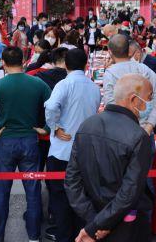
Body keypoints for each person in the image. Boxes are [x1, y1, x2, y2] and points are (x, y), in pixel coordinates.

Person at [65, 74, 153, 242]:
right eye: (149, 98)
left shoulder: (87, 125)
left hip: (90, 219)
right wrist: (99, 224)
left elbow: (72, 180)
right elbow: (129, 192)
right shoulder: (138, 136)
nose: (150, 103)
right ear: (133, 99)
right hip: (124, 224)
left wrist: (93, 221)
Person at [0, 47, 52, 242]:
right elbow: (54, 106)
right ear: (24, 61)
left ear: (3, 63)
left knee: (1, 192)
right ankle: (34, 236)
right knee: (33, 191)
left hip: (6, 142)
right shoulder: (37, 83)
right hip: (30, 141)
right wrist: (46, 128)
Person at [44, 49, 101, 242]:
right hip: (86, 151)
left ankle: (64, 236)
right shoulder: (94, 87)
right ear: (86, 65)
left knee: (60, 200)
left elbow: (51, 106)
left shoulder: (64, 84)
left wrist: (55, 126)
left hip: (63, 150)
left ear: (66, 65)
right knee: (83, 200)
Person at [102, 35, 156, 137]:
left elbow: (110, 105)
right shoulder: (144, 69)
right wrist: (148, 128)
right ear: (128, 50)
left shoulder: (110, 74)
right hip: (145, 132)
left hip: (121, 134)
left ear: (110, 52)